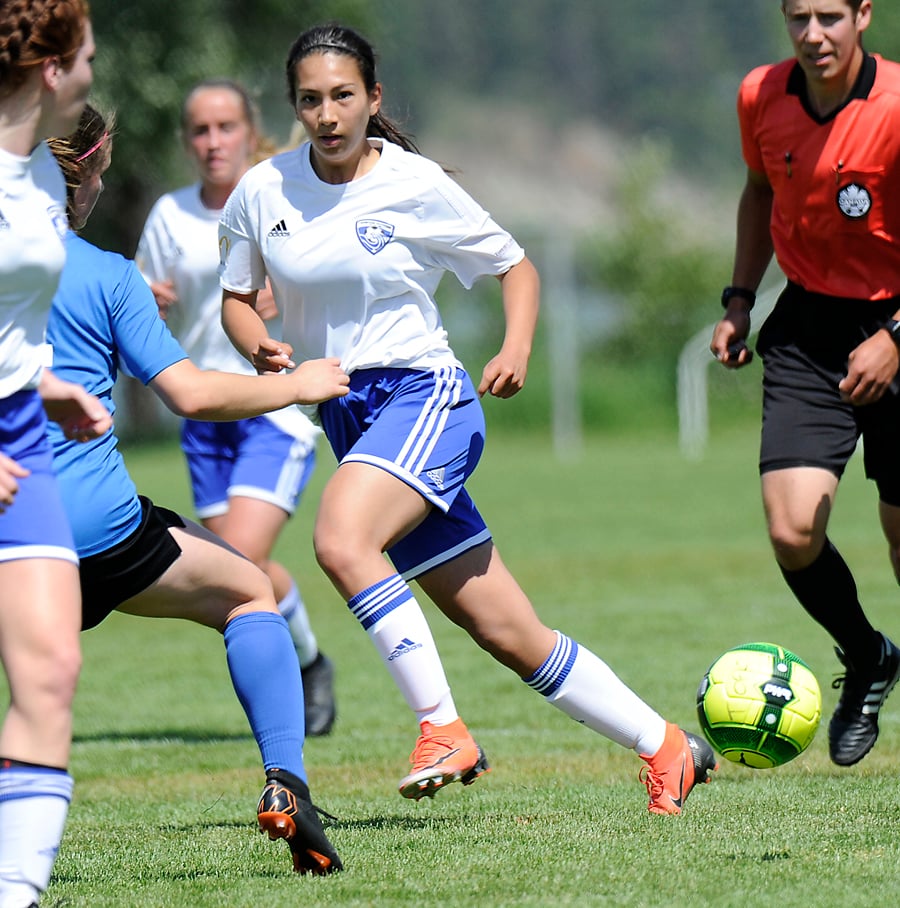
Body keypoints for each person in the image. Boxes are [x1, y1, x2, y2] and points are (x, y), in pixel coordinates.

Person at [219, 22, 717, 815]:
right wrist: (266, 354)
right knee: (509, 632)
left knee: (341, 540)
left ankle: (442, 727)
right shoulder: (264, 190)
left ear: (372, 98)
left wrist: (516, 345)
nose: (327, 114)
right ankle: (665, 746)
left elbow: (514, 264)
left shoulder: (411, 182)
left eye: (343, 96)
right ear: (294, 106)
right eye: (310, 100)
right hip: (352, 422)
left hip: (425, 399)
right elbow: (238, 301)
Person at [45, 105, 348, 874]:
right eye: (103, 175)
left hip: (14, 524)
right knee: (248, 591)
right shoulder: (104, 274)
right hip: (96, 528)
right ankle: (289, 784)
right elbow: (192, 393)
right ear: (82, 173)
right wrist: (296, 385)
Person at [711, 0, 900, 767]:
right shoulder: (760, 94)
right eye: (798, 17)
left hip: (896, 325)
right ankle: (868, 655)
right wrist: (738, 300)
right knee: (792, 530)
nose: (813, 35)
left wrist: (894, 339)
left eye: (830, 16)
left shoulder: (895, 107)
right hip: (809, 332)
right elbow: (759, 192)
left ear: (864, 15)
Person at [135, 80, 336, 737]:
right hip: (205, 415)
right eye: (200, 130)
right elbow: (139, 298)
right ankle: (310, 660)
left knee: (239, 560)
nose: (214, 141)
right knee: (237, 560)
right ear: (188, 141)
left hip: (274, 409)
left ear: (251, 131)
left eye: (225, 126)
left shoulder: (281, 200)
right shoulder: (169, 215)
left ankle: (293, 690)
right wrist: (143, 298)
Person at [0, 4, 110, 906]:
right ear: (50, 65)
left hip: (20, 435)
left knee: (49, 668)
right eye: (89, 56)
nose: (95, 71)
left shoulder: (39, 172)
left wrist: (43, 382)